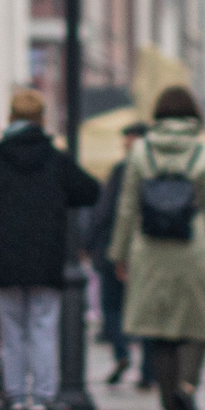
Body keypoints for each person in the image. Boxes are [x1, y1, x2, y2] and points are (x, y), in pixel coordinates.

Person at [0, 89, 100, 410]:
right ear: (42, 119)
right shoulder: (54, 157)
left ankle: (14, 396)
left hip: (5, 258)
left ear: (10, 118)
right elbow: (90, 191)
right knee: (43, 328)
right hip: (45, 257)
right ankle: (43, 398)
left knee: (11, 332)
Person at [110, 87, 205, 410]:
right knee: (197, 328)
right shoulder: (204, 154)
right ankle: (187, 387)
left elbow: (126, 208)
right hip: (193, 249)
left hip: (149, 252)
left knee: (160, 334)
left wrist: (119, 254)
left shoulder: (140, 153)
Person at [85, 121, 150, 387]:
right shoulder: (156, 169)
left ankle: (122, 352)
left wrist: (89, 243)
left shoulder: (123, 170)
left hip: (116, 251)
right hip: (147, 251)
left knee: (112, 307)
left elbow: (104, 211)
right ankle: (149, 370)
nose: (125, 145)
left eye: (128, 140)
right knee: (145, 312)